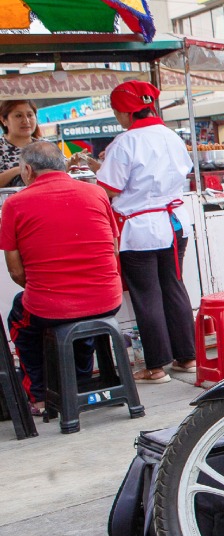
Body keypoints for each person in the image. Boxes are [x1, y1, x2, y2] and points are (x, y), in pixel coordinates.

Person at [79, 80, 197, 384]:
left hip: (141, 227)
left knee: (147, 295)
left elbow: (109, 188)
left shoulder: (125, 142)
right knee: (174, 285)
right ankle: (187, 357)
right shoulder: (171, 136)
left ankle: (156, 367)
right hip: (174, 223)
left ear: (124, 112)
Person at [1, 142, 122, 414]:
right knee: (81, 320)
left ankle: (41, 396)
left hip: (52, 305)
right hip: (107, 298)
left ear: (28, 170)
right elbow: (114, 249)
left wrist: (46, 288)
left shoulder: (14, 203)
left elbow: (16, 271)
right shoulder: (97, 193)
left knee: (21, 318)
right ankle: (78, 381)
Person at [0, 100, 42, 188]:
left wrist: (70, 164)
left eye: (30, 115)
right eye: (18, 116)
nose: (26, 121)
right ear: (3, 120)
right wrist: (18, 170)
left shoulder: (46, 147)